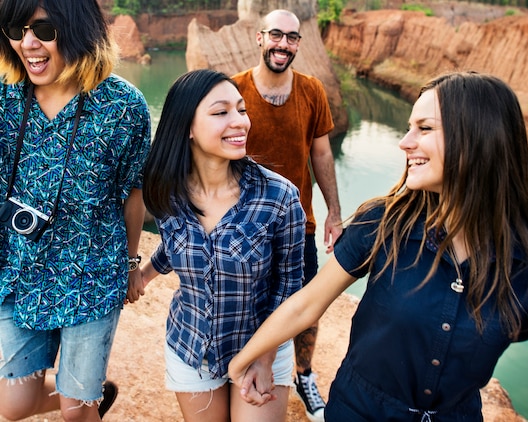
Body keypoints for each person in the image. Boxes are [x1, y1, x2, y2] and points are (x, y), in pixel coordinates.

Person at [228, 71, 528, 421]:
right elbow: (307, 304)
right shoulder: (381, 221)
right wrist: (250, 356)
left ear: (478, 136)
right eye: (409, 128)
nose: (405, 142)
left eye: (424, 128)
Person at [0, 0, 151, 421]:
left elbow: (133, 191)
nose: (28, 43)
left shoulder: (124, 107)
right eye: (16, 28)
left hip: (91, 273)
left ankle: (81, 398)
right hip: (16, 271)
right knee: (13, 406)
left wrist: (131, 263)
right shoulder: (4, 97)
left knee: (75, 413)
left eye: (44, 30)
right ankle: (84, 393)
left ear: (78, 28)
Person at [134, 69, 306, 422]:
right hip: (191, 346)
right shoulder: (167, 190)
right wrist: (143, 274)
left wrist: (266, 355)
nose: (240, 122)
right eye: (221, 112)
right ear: (188, 128)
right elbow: (173, 246)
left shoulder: (279, 197)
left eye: (241, 110)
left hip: (260, 347)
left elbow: (289, 287)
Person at [231, 9, 342, 421]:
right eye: (275, 35)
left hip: (300, 226)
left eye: (292, 38)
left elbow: (322, 153)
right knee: (246, 304)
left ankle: (304, 373)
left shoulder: (312, 91)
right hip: (244, 227)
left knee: (306, 307)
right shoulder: (235, 91)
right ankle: (242, 367)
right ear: (259, 38)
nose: (283, 44)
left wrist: (334, 213)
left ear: (299, 43)